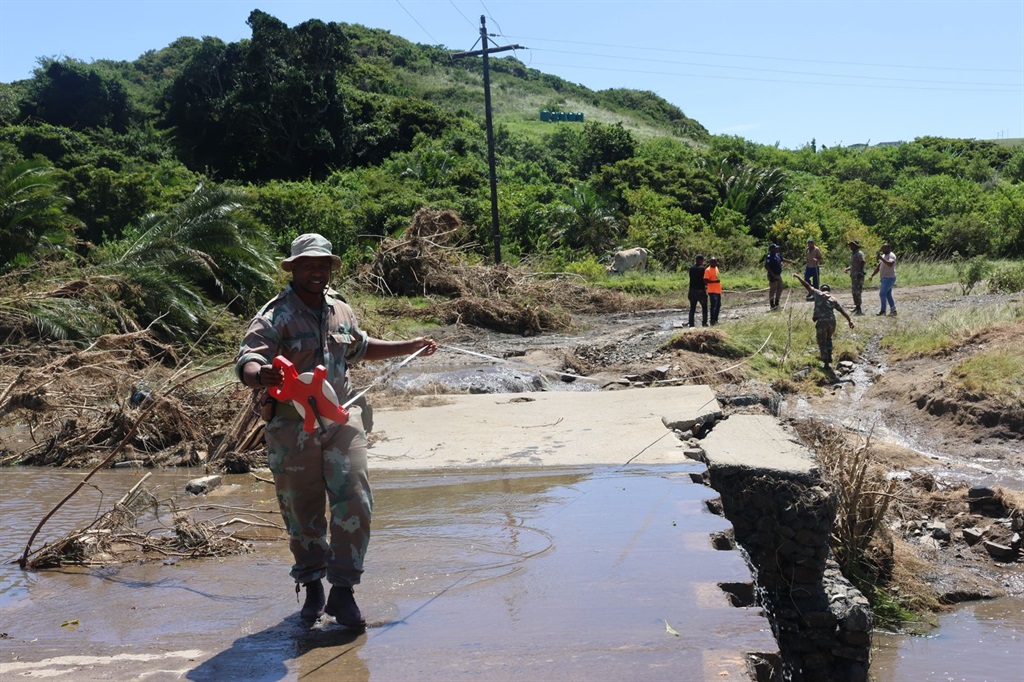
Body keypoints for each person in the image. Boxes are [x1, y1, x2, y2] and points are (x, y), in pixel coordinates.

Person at [235, 233, 437, 628]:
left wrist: (407, 345)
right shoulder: (273, 316)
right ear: (292, 268)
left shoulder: (340, 309)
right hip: (292, 428)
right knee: (302, 510)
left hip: (342, 419)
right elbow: (247, 360)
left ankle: (343, 592)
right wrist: (262, 374)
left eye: (324, 264)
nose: (317, 270)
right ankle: (312, 588)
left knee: (356, 499)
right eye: (309, 264)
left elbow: (359, 347)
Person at [793, 273, 854, 371]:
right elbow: (842, 311)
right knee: (828, 339)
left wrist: (798, 277)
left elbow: (806, 285)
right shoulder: (833, 299)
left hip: (822, 321)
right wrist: (850, 320)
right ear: (829, 291)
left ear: (822, 289)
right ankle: (829, 355)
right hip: (832, 321)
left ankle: (826, 363)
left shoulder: (817, 293)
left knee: (821, 342)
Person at [868, 242, 897, 316]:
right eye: (882, 248)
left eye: (885, 248)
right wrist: (872, 275)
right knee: (888, 294)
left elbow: (890, 264)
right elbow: (878, 267)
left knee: (882, 294)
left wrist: (881, 258)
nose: (883, 249)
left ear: (889, 248)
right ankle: (893, 310)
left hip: (889, 278)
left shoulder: (891, 255)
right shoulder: (884, 255)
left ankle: (883, 311)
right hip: (884, 278)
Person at [764, 244, 796, 311]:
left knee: (780, 288)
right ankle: (772, 304)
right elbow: (766, 266)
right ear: (771, 249)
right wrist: (773, 275)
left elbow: (782, 259)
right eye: (776, 248)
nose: (777, 249)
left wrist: (791, 262)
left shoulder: (778, 255)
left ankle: (777, 303)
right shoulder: (769, 257)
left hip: (778, 275)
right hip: (773, 275)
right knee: (773, 289)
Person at [843, 240, 866, 315]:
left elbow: (862, 262)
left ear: (856, 246)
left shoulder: (859, 253)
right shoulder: (853, 254)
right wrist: (848, 269)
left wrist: (860, 272)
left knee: (857, 291)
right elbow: (853, 264)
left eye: (852, 245)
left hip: (858, 275)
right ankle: (856, 306)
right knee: (854, 291)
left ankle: (859, 307)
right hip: (853, 275)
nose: (850, 247)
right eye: (850, 245)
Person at [687, 254, 708, 327]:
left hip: (692, 290)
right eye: (702, 260)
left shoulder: (691, 268)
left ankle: (691, 323)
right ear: (700, 260)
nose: (703, 261)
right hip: (700, 291)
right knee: (704, 307)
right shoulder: (703, 269)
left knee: (692, 308)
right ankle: (704, 323)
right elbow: (704, 279)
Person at [704, 256, 722, 326]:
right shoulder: (707, 270)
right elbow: (705, 281)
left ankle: (716, 320)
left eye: (715, 261)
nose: (714, 263)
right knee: (713, 306)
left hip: (718, 290)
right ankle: (712, 321)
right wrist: (715, 282)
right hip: (712, 291)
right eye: (712, 262)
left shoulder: (716, 268)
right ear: (710, 262)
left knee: (718, 305)